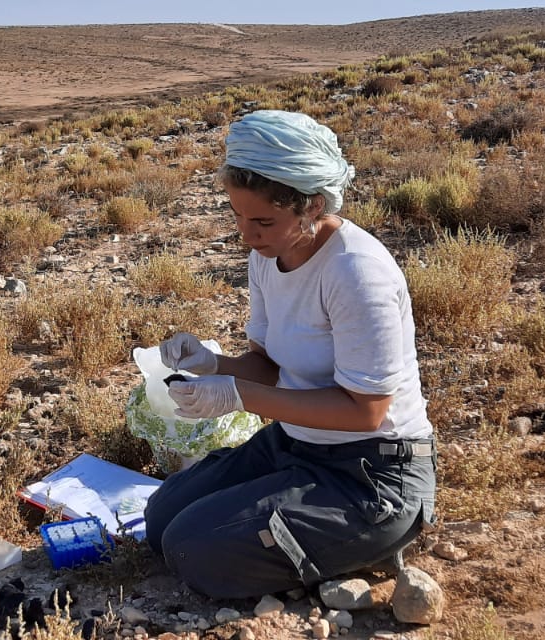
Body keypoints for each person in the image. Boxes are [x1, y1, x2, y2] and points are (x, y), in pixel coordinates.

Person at [142, 110, 436, 599]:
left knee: (192, 549)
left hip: (374, 472)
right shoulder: (268, 257)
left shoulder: (355, 273)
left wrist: (237, 396)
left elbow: (366, 412)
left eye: (263, 220)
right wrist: (214, 364)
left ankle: (373, 535)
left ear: (312, 205)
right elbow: (269, 367)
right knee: (161, 517)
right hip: (298, 444)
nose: (246, 234)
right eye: (236, 214)